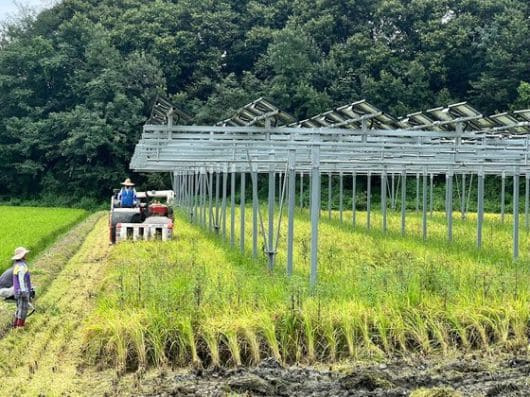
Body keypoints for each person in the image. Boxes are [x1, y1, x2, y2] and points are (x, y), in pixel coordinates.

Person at [12, 247, 32, 328]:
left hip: (17, 291)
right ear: (21, 256)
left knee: (19, 307)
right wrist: (24, 291)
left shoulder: (16, 264)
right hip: (22, 291)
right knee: (24, 308)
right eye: (25, 254)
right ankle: (20, 326)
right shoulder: (22, 266)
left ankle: (15, 325)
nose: (26, 255)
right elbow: (21, 280)